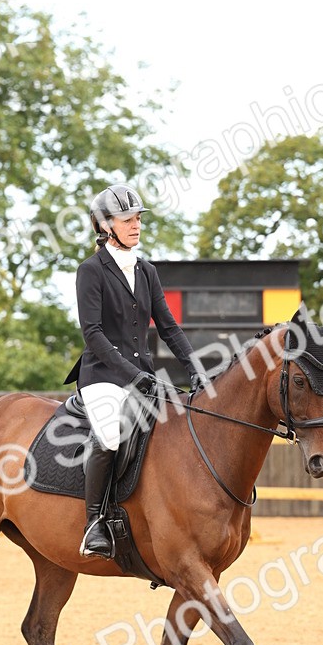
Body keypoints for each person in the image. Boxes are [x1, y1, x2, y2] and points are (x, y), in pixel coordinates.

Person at [64, 183, 207, 559]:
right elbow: (93, 334)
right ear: (105, 225)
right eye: (127, 219)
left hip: (142, 376)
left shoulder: (146, 271)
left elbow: (169, 327)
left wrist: (195, 369)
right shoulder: (90, 271)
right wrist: (131, 374)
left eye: (138, 218)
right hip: (102, 376)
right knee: (110, 435)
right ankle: (94, 523)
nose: (136, 225)